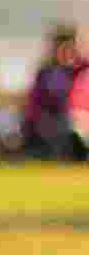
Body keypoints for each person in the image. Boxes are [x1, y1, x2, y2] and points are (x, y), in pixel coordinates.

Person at [21, 23, 88, 160]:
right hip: (53, 124)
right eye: (60, 46)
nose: (65, 52)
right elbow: (34, 105)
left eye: (69, 46)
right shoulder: (45, 72)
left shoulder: (83, 70)